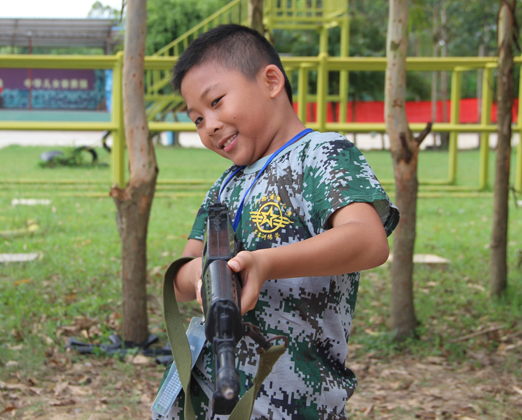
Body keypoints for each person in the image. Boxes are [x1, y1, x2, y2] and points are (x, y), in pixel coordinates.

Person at [154, 24, 399, 420]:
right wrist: (205, 277)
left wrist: (264, 264)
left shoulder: (321, 154)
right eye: (197, 119)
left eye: (216, 101)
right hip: (208, 399)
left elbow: (369, 241)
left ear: (270, 81)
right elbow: (184, 274)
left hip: (296, 401)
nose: (210, 125)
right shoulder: (225, 185)